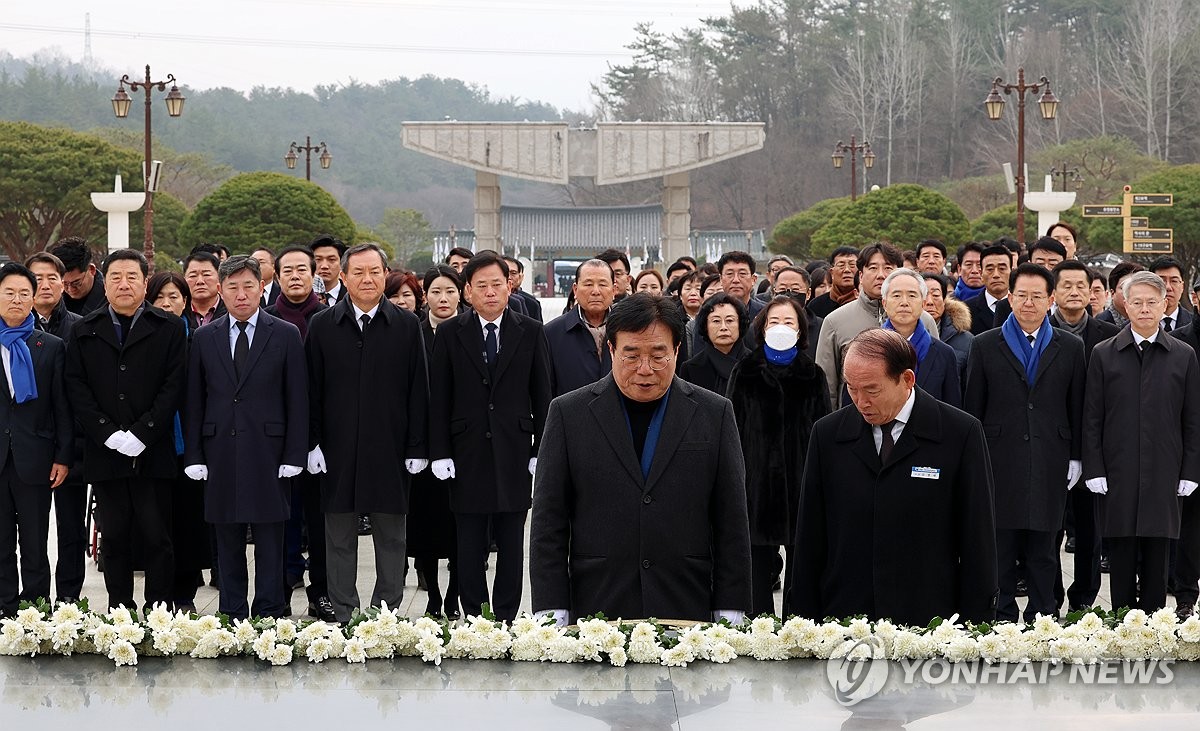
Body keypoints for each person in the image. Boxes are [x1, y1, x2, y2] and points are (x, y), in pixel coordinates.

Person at [531, 293, 752, 624]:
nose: (645, 370)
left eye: (658, 356)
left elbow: (731, 518)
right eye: (631, 356)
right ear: (611, 350)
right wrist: (551, 606)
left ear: (677, 350)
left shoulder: (715, 413)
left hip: (685, 600)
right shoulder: (568, 413)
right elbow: (549, 520)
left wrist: (731, 603)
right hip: (599, 600)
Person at [792, 328, 998, 626]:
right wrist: (800, 622)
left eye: (872, 390)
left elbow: (978, 539)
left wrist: (978, 623)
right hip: (846, 618)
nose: (861, 401)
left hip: (929, 619)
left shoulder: (959, 434)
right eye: (852, 388)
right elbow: (810, 537)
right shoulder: (828, 435)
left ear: (907, 380)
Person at [306, 243, 430, 622]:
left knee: (392, 534)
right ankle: (344, 614)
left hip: (390, 447)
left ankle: (386, 615)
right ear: (342, 277)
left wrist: (416, 445)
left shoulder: (407, 325)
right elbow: (311, 389)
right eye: (357, 272)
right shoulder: (323, 325)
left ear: (385, 273)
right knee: (338, 535)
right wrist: (311, 443)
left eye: (374, 271)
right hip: (336, 448)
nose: (367, 279)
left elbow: (418, 390)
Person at [429, 252, 552, 622]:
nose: (490, 292)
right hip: (465, 451)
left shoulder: (530, 330)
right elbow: (439, 397)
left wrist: (539, 449)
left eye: (497, 284)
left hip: (515, 450)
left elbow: (543, 394)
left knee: (512, 540)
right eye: (481, 285)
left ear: (509, 285)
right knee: (469, 541)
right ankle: (476, 615)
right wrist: (440, 452)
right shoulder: (451, 332)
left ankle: (506, 615)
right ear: (468, 291)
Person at [184, 256, 307, 620]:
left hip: (269, 450)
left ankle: (270, 612)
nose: (241, 295)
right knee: (227, 537)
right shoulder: (204, 337)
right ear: (220, 291)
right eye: (233, 287)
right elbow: (195, 400)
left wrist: (294, 453)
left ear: (261, 288)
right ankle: (232, 613)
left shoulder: (284, 333)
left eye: (248, 286)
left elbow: (297, 398)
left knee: (271, 536)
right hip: (219, 448)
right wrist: (194, 454)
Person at [65, 249, 187, 611]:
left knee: (157, 536)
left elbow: (173, 386)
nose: (123, 284)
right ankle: (120, 610)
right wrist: (108, 433)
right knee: (114, 537)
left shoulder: (167, 328)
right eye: (115, 276)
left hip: (154, 450)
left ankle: (160, 612)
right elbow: (77, 387)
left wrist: (142, 432)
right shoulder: (84, 330)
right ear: (105, 282)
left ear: (145, 282)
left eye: (132, 276)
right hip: (105, 453)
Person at [963, 263, 1086, 622]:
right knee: (1001, 542)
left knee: (1045, 545)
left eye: (1036, 296)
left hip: (1051, 455)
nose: (1028, 303)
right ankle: (1000, 613)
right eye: (1021, 295)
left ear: (1050, 300)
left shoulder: (1071, 346)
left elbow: (1076, 405)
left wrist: (1076, 456)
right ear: (1010, 297)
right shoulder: (985, 345)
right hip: (999, 457)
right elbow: (974, 407)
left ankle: (1043, 612)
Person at [1084, 271, 1200, 613]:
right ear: (1124, 305)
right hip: (1117, 470)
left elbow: (1192, 419)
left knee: (1157, 550)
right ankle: (1121, 622)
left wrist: (1190, 470)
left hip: (1165, 468)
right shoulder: (1104, 354)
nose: (1145, 309)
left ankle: (1152, 625)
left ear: (1165, 305)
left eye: (1152, 302)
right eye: (1137, 302)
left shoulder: (1183, 355)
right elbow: (1092, 418)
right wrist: (1094, 467)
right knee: (1119, 549)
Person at [726, 295, 830, 617]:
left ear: (800, 331)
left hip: (802, 485)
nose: (781, 327)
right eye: (774, 321)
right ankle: (759, 630)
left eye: (789, 322)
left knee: (802, 562)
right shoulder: (745, 372)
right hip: (756, 486)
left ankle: (800, 625)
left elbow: (823, 433)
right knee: (756, 564)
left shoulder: (813, 375)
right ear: (762, 328)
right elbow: (730, 431)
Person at [265, 245, 333, 622]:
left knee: (320, 519)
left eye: (302, 270)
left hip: (323, 440)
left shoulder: (328, 318)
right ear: (276, 275)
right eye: (287, 270)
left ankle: (320, 592)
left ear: (314, 275)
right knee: (282, 519)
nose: (295, 276)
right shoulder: (267, 319)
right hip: (277, 439)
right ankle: (280, 590)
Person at [0, 263, 72, 618]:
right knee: (0, 544)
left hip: (36, 458)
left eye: (24, 294)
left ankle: (35, 612)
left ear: (33, 299)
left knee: (35, 542)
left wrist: (62, 456)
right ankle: (4, 609)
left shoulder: (50, 346)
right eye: (9, 293)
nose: (17, 299)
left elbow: (62, 406)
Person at [1050, 260, 1119, 612]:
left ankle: (1083, 602)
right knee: (1050, 533)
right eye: (1067, 285)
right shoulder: (1041, 332)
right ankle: (1049, 599)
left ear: (1094, 293)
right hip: (1049, 447)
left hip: (1094, 449)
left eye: (1083, 286)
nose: (1075, 292)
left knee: (1091, 534)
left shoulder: (1107, 337)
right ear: (1054, 292)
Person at [145, 271, 208, 613]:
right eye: (160, 298)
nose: (167, 304)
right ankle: (158, 596)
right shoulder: (141, 339)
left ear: (185, 301)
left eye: (174, 297)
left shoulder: (199, 339)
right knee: (156, 526)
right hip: (154, 444)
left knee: (187, 523)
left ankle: (184, 595)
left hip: (191, 445)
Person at [25, 252, 85, 603]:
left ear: (64, 283)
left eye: (52, 277)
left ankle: (69, 601)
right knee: (31, 531)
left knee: (71, 529)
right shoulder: (14, 327)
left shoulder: (81, 325)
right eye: (37, 278)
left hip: (72, 446)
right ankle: (34, 601)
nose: (45, 284)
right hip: (27, 446)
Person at [815, 242, 939, 409]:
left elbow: (937, 371)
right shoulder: (835, 321)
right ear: (860, 273)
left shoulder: (924, 320)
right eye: (873, 268)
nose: (881, 275)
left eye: (888, 268)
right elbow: (826, 385)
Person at [407, 265, 463, 618]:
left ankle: (455, 596)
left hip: (460, 444)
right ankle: (431, 598)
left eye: (450, 292)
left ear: (462, 294)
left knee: (459, 528)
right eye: (436, 292)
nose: (443, 299)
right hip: (422, 445)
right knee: (425, 526)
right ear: (425, 295)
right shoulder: (412, 331)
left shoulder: (468, 330)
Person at [875, 269, 961, 407]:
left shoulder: (944, 354)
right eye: (896, 295)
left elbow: (953, 409)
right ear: (884, 303)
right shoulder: (868, 350)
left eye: (912, 295)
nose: (904, 302)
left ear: (923, 303)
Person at [543, 259, 614, 397]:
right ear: (575, 289)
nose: (595, 291)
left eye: (603, 284)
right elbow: (546, 390)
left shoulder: (627, 328)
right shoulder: (551, 333)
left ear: (614, 290)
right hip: (572, 416)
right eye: (588, 284)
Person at [677, 293, 748, 395]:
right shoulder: (691, 368)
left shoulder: (756, 364)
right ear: (706, 326)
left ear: (740, 324)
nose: (723, 327)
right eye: (716, 321)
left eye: (729, 320)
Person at [922, 272, 973, 382]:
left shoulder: (966, 340)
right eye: (923, 295)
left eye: (936, 295)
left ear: (945, 301)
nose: (930, 302)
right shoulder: (901, 335)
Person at [49, 237, 107, 315]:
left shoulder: (110, 298)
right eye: (64, 284)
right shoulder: (50, 296)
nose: (70, 289)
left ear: (91, 270)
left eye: (76, 283)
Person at [807, 247, 859, 318]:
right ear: (832, 273)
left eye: (852, 265)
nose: (847, 270)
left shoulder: (869, 303)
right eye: (841, 265)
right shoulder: (816, 305)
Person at [183, 251, 226, 329]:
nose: (200, 281)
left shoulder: (231, 311)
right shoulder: (179, 313)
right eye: (193, 275)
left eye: (206, 275)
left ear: (219, 278)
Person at [1149, 256, 1192, 332]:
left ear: (1182, 287)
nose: (1168, 287)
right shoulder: (1132, 326)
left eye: (1174, 281)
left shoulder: (1195, 325)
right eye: (1161, 281)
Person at [1096, 261, 1144, 328]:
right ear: (1112, 293)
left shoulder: (1150, 320)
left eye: (1137, 287)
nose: (1132, 292)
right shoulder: (1099, 324)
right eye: (1125, 287)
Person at [717, 251, 765, 319]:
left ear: (753, 279)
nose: (736, 280)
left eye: (742, 274)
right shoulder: (710, 313)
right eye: (730, 274)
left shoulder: (766, 313)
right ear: (721, 279)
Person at [503, 256, 543, 322]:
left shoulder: (531, 304)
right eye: (505, 272)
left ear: (520, 277)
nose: (509, 277)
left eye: (513, 273)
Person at [311, 234, 348, 305]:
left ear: (342, 263)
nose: (324, 266)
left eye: (331, 259)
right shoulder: (300, 296)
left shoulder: (352, 297)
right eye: (318, 259)